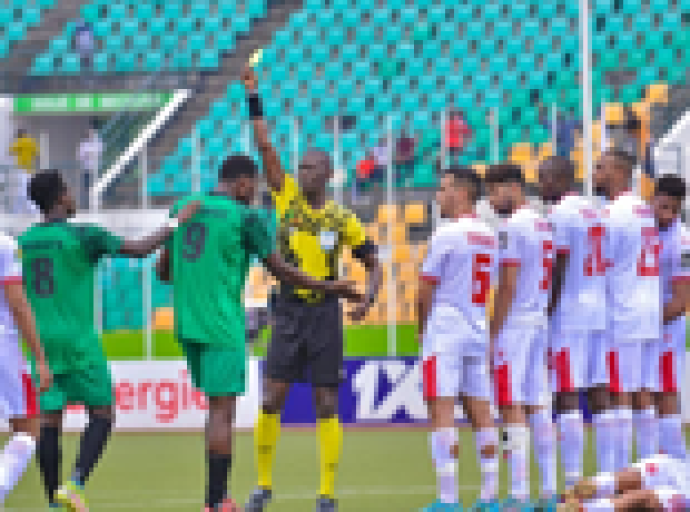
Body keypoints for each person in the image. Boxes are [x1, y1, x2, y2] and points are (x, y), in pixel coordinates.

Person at [155, 155, 364, 512]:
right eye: (253, 186)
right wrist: (333, 288)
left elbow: (163, 271)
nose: (256, 193)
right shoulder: (246, 217)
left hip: (186, 324)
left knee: (215, 409)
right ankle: (217, 502)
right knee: (223, 412)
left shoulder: (183, 206)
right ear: (241, 184)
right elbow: (283, 271)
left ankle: (224, 496)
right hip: (222, 325)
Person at [242, 65, 383, 512]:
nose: (301, 171)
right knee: (271, 396)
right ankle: (263, 485)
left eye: (310, 167)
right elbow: (265, 146)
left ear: (327, 173)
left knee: (325, 403)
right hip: (286, 309)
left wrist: (370, 299)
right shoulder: (285, 197)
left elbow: (374, 263)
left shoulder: (343, 219)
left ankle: (326, 493)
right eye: (299, 165)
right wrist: (254, 97)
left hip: (324, 314)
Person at [19, 169, 200, 510]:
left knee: (49, 422)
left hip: (41, 343)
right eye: (69, 190)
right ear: (60, 197)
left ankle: (54, 503)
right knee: (102, 413)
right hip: (79, 341)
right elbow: (141, 249)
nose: (73, 196)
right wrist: (176, 224)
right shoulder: (86, 236)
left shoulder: (24, 242)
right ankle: (75, 483)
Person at [417, 167, 500, 512]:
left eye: (444, 188)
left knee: (442, 410)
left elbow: (425, 288)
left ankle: (448, 500)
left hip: (447, 329)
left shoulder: (446, 234)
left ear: (462, 193)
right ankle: (489, 497)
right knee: (482, 411)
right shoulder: (490, 234)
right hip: (477, 327)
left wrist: (422, 329)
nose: (438, 195)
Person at [485, 163, 557, 503]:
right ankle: (549, 490)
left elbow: (507, 286)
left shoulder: (511, 227)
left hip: (514, 326)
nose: (489, 199)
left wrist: (493, 334)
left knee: (511, 405)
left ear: (511, 187)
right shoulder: (544, 224)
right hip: (539, 322)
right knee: (539, 406)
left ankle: (518, 494)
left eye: (492, 190)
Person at [539, 156, 612, 485]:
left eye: (543, 179)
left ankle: (572, 485)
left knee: (566, 394)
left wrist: (547, 308)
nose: (541, 185)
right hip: (598, 310)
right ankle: (608, 478)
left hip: (569, 312)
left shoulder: (560, 214)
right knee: (600, 393)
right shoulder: (594, 209)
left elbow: (560, 264)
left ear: (557, 179)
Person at [593, 149, 662, 470]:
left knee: (619, 393)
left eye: (600, 168)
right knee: (644, 393)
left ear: (619, 173)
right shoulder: (645, 211)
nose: (595, 173)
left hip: (623, 312)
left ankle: (620, 474)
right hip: (649, 311)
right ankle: (647, 470)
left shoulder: (611, 214)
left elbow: (600, 268)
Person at [0, 233, 51, 505]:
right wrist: (40, 358)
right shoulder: (5, 245)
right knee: (27, 431)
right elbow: (18, 304)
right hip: (3, 347)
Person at [650, 175, 689, 463]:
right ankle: (658, 460)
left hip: (665, 327)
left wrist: (643, 320)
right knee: (644, 395)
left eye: (671, 210)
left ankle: (678, 460)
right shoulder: (643, 228)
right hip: (644, 324)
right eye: (661, 206)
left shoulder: (683, 242)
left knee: (665, 392)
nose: (665, 215)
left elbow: (680, 302)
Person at [560, 453, 687, 512]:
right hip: (678, 467)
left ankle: (580, 510)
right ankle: (561, 501)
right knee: (622, 479)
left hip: (686, 494)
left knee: (642, 498)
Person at [8, 129, 39, 214]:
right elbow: (36, 153)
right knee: (28, 189)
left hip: (21, 169)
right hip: (30, 169)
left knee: (21, 191)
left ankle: (25, 209)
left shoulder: (19, 142)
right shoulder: (31, 142)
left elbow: (10, 152)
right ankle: (32, 208)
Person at [77, 127, 103, 210]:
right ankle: (89, 204)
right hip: (87, 168)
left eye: (92, 134)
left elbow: (98, 153)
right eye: (89, 134)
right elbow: (80, 156)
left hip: (96, 169)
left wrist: (89, 154)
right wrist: (89, 155)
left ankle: (97, 202)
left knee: (97, 185)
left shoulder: (98, 143)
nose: (91, 135)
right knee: (87, 187)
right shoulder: (84, 144)